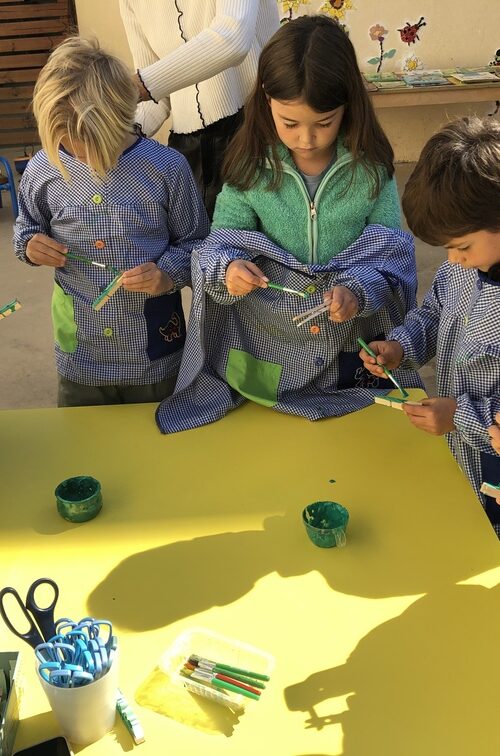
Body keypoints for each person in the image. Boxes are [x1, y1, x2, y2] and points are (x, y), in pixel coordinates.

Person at [155, 15, 421, 434]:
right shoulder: (248, 167)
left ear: (349, 104)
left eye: (324, 122)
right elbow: (217, 247)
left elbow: (390, 258)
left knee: (358, 439)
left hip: (347, 344)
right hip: (268, 341)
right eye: (290, 123)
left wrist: (357, 291)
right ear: (266, 100)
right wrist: (229, 270)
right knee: (265, 439)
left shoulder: (371, 170)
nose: (306, 139)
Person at [13, 37, 209, 408]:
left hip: (153, 357)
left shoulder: (167, 169)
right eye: (66, 143)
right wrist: (30, 246)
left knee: (154, 436)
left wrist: (166, 275)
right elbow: (26, 228)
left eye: (90, 142)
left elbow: (197, 244)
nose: (80, 154)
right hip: (81, 359)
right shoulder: (43, 169)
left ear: (122, 117)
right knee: (82, 440)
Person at [359, 116, 500, 534]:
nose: (454, 259)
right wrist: (401, 347)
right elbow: (434, 314)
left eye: (462, 246)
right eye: (446, 248)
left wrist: (460, 416)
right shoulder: (460, 269)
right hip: (459, 452)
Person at [119, 0, 280, 218]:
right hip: (186, 151)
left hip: (253, 130)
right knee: (191, 238)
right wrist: (119, 133)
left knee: (253, 234)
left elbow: (233, 39)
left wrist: (136, 86)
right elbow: (155, 96)